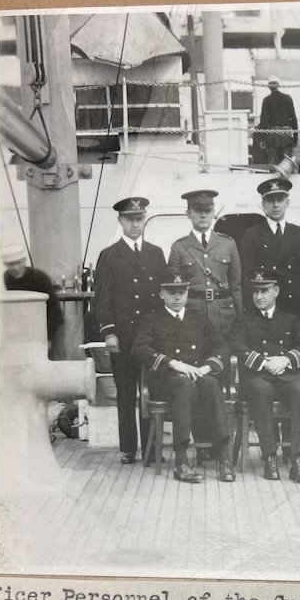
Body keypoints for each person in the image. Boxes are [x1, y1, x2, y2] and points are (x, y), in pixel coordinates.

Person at [132, 271, 236, 484]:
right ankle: (181, 460)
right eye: (172, 293)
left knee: (211, 383)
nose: (178, 297)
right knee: (184, 385)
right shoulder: (152, 320)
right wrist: (173, 363)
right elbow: (139, 349)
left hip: (197, 377)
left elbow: (222, 347)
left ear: (188, 293)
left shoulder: (198, 319)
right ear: (162, 294)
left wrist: (207, 368)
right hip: (166, 382)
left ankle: (223, 456)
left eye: (182, 292)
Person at [91, 197, 171, 464]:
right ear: (121, 221)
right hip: (122, 338)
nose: (136, 224)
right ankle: (128, 448)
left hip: (150, 339)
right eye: (130, 219)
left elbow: (164, 296)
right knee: (126, 392)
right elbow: (101, 299)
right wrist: (109, 332)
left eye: (139, 219)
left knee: (151, 390)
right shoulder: (109, 255)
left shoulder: (156, 253)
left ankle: (150, 447)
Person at [229, 269, 300, 484]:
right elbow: (236, 345)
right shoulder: (243, 319)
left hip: (286, 376)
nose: (259, 296)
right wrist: (265, 362)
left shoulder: (290, 319)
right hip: (258, 377)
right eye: (255, 291)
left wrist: (286, 360)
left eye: (264, 291)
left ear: (276, 291)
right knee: (260, 389)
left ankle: (299, 460)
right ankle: (269, 457)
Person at [239, 177, 300, 334]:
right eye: (270, 200)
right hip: (263, 310)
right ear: (263, 205)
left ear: (287, 203)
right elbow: (246, 278)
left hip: (295, 310)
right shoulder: (252, 235)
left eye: (280, 200)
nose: (276, 205)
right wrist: (249, 312)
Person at [169, 189, 242, 338]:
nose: (203, 215)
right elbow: (173, 288)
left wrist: (240, 316)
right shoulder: (179, 247)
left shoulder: (228, 243)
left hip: (224, 314)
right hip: (192, 313)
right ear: (188, 213)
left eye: (208, 211)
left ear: (213, 212)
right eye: (197, 210)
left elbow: (236, 285)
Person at [1, 244, 64, 351]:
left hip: (48, 329)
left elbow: (54, 311)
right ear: (6, 265)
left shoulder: (39, 278)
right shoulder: (7, 277)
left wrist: (48, 339)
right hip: (24, 331)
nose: (16, 268)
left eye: (18, 263)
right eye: (11, 264)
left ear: (24, 261)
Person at [254, 76, 298, 166]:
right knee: (286, 163)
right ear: (278, 86)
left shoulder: (267, 100)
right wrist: (295, 138)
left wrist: (262, 139)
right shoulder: (288, 98)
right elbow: (293, 118)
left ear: (269, 87)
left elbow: (264, 121)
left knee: (273, 163)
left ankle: (274, 178)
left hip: (273, 134)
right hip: (286, 133)